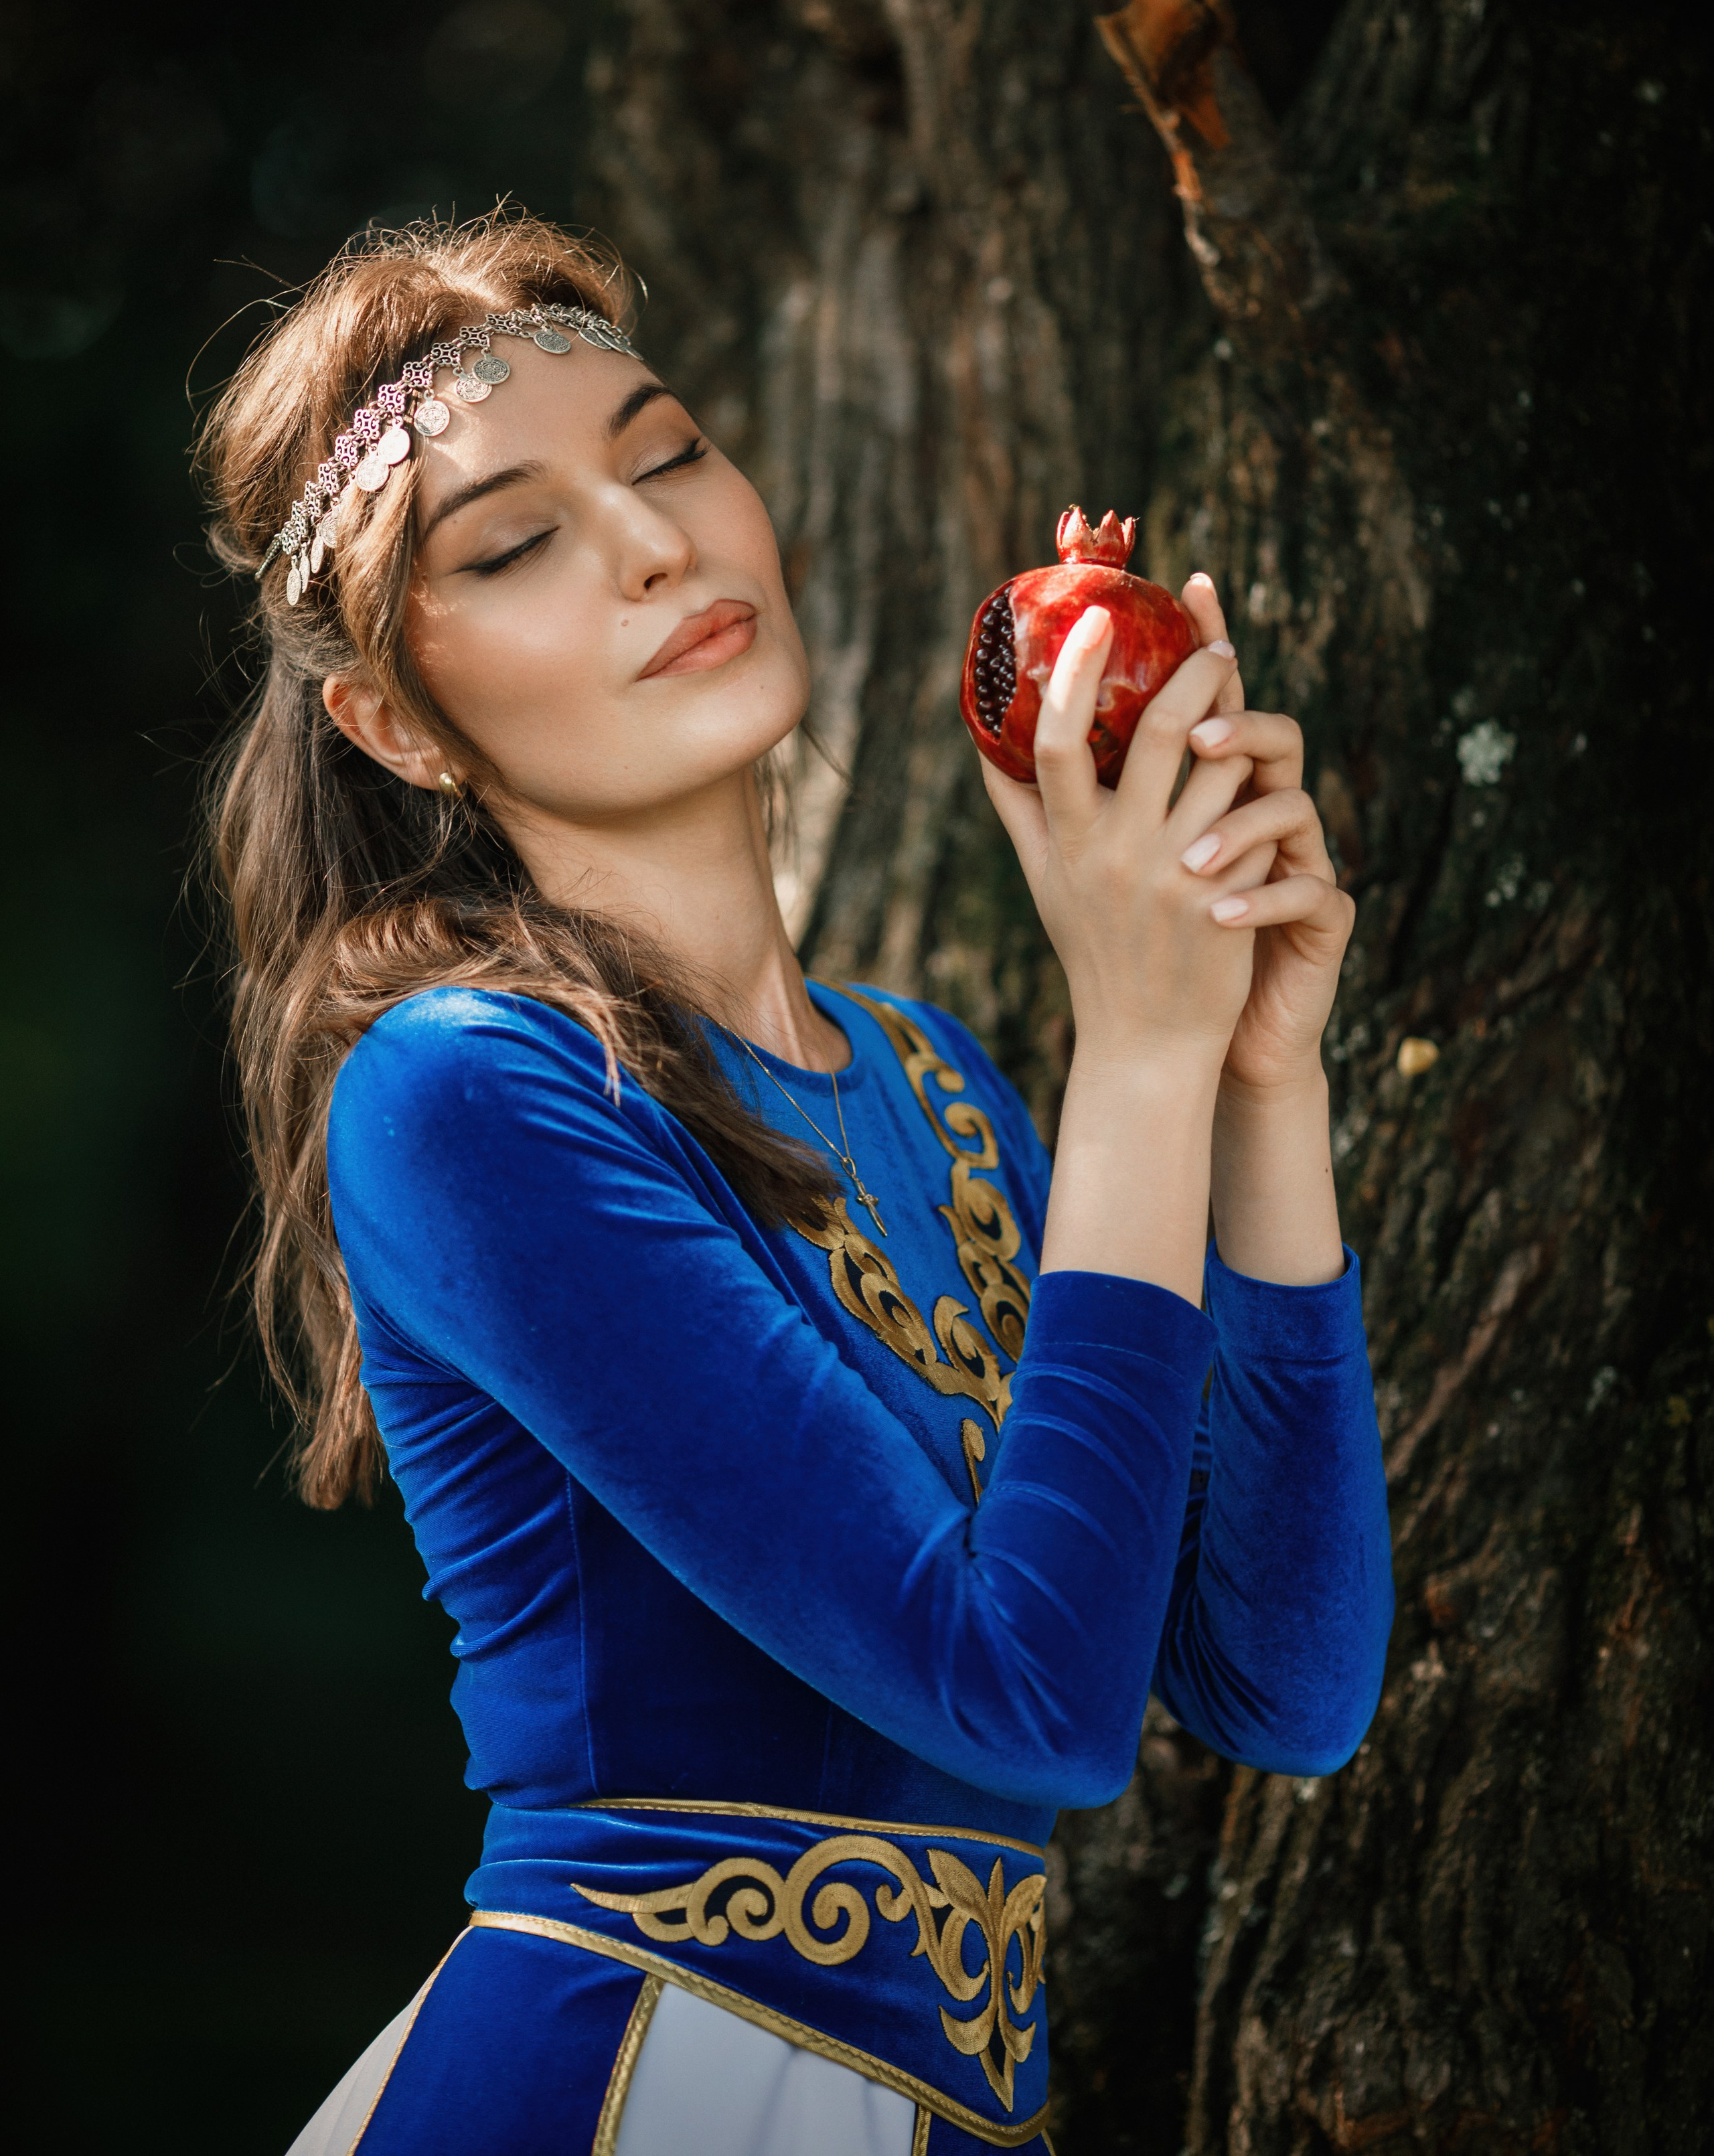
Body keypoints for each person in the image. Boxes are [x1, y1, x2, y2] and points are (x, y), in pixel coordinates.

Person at [202, 210, 1391, 2156]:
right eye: (515, 544)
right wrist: (1144, 1050)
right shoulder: (461, 1098)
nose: (654, 541)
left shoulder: (928, 1083)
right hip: (620, 2085)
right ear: (397, 724)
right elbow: (1035, 1713)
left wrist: (1256, 1075)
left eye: (666, 454)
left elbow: (1284, 1684)